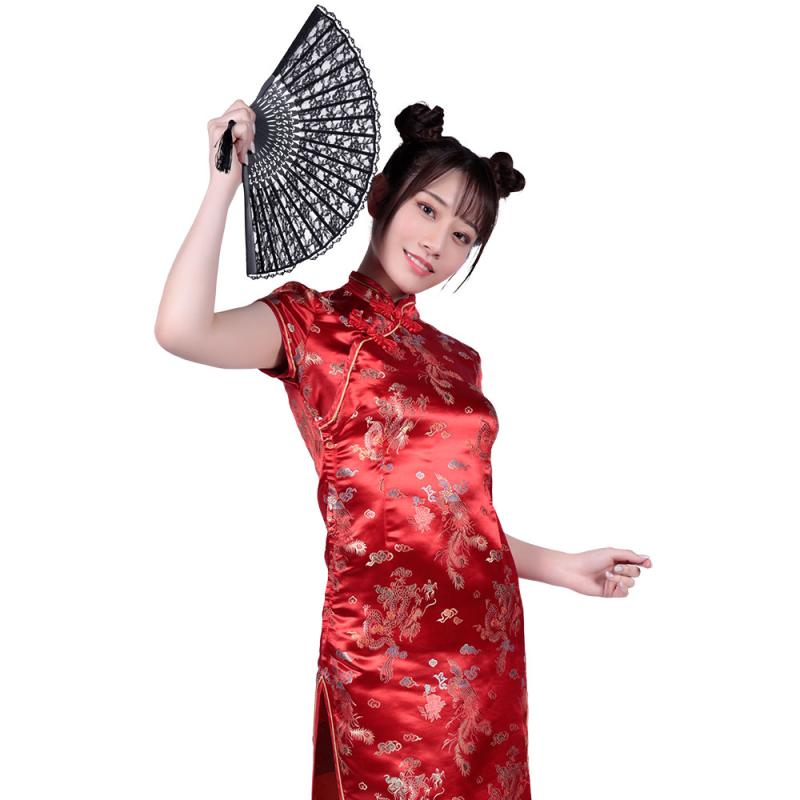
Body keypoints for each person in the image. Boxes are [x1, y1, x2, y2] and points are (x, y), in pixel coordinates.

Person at [155, 99, 653, 800]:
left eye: (462, 234)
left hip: (486, 652)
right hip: (384, 660)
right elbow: (182, 330)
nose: (438, 242)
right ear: (380, 194)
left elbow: (454, 523)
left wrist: (561, 567)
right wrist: (222, 186)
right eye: (427, 209)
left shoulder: (458, 361)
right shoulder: (311, 325)